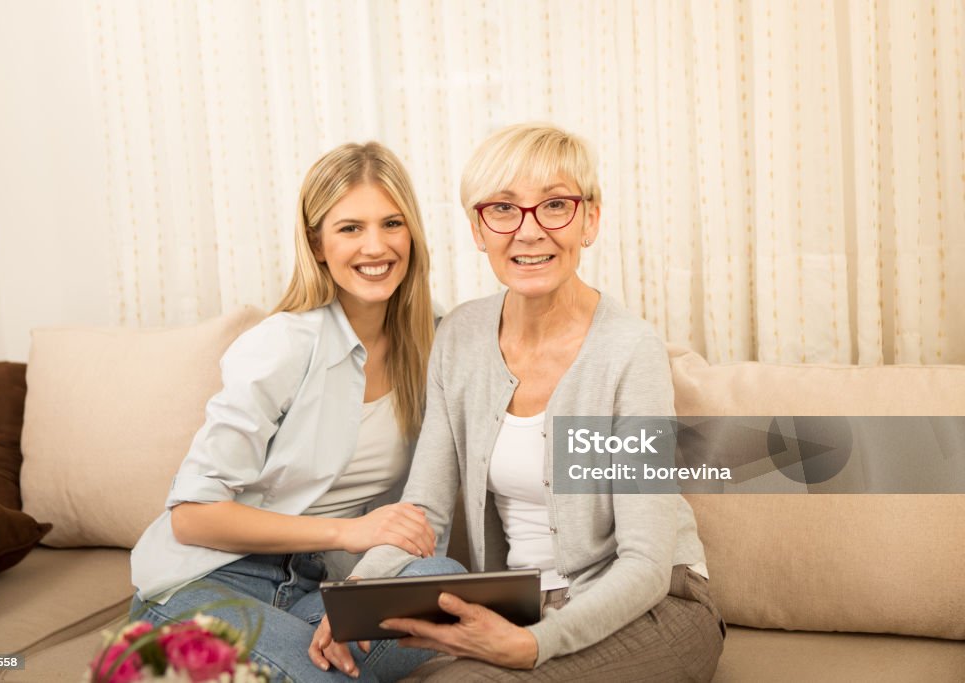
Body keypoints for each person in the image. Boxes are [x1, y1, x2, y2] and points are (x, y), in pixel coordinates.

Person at [309, 124, 726, 681]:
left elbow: (646, 563)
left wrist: (534, 644)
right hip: (520, 610)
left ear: (590, 219)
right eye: (503, 209)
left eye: (555, 205)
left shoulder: (631, 351)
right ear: (479, 230)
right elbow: (425, 510)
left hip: (653, 608)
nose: (529, 232)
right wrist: (357, 594)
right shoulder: (458, 338)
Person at [129, 141, 463, 682]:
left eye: (392, 223)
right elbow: (191, 516)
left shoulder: (434, 336)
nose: (376, 246)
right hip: (208, 585)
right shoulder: (282, 344)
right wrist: (348, 533)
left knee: (441, 583)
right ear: (317, 243)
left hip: (316, 588)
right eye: (350, 228)